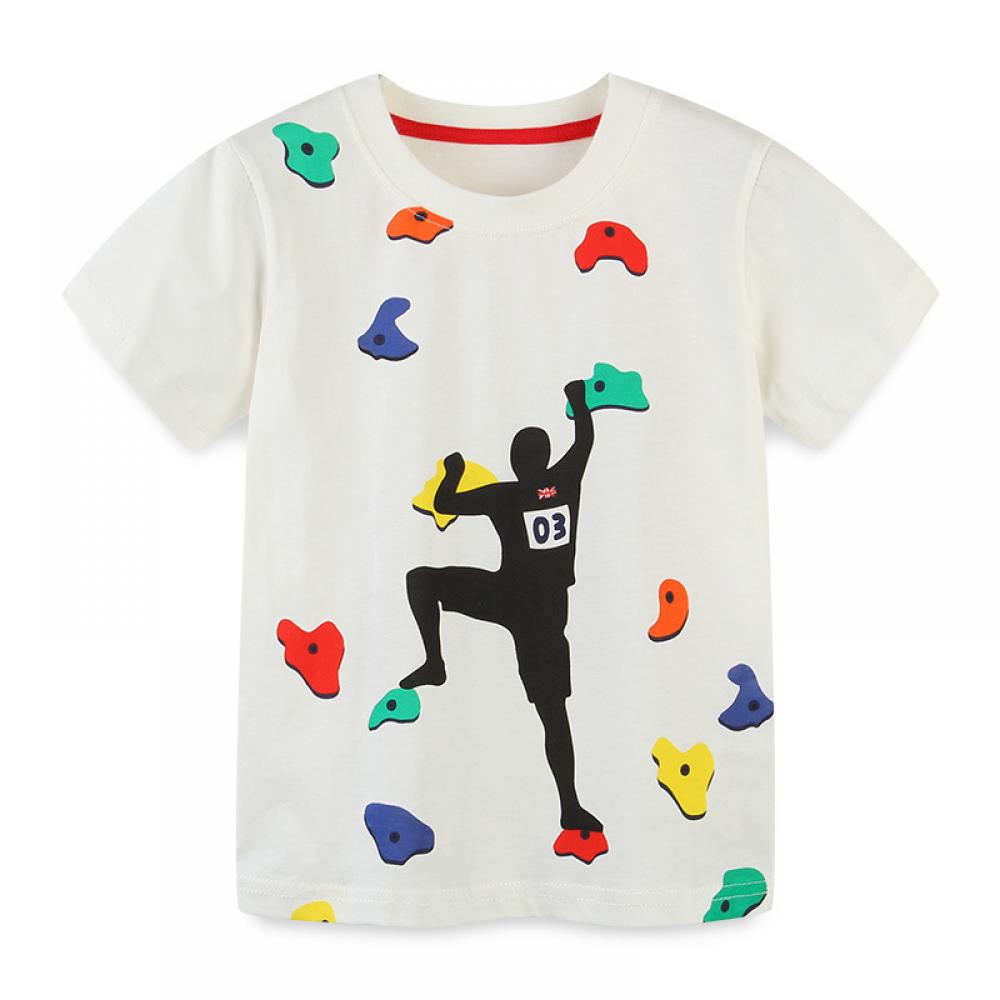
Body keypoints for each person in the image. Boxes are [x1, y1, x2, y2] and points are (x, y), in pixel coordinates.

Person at [401, 379, 601, 832]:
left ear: (514, 462)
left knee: (421, 580)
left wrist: (453, 471)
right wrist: (577, 399)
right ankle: (569, 805)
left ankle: (434, 660)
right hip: (545, 612)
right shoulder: (565, 480)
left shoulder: (505, 494)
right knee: (554, 715)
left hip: (509, 598)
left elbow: (444, 502)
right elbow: (584, 441)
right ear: (545, 457)